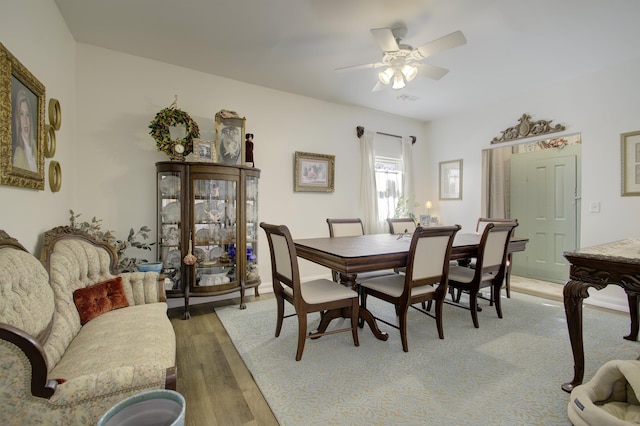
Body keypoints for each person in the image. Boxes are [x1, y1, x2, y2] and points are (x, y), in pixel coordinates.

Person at [12, 88, 38, 172]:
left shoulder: (34, 146)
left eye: (27, 114)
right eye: (22, 114)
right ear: (18, 119)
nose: (25, 121)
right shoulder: (19, 153)